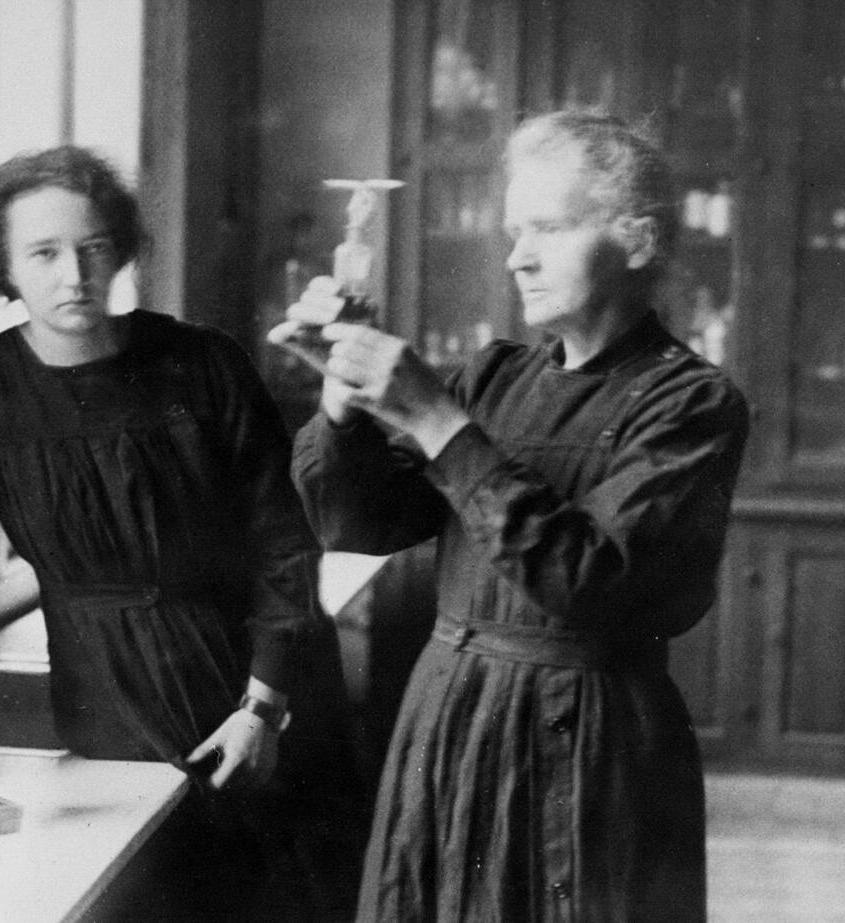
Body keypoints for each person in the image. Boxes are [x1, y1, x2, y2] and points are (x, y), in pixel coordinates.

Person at [269, 110, 750, 921]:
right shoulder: (493, 375)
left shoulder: (692, 401)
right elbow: (357, 523)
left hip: (590, 739)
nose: (517, 256)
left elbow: (594, 578)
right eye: (512, 230)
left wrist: (433, 422)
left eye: (549, 229)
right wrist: (342, 403)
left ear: (636, 242)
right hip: (453, 713)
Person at [0, 145, 364, 920]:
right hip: (107, 704)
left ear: (120, 251)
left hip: (256, 681)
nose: (72, 275)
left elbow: (284, 541)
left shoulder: (204, 364)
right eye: (43, 253)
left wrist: (265, 706)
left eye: (93, 247)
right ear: (3, 266)